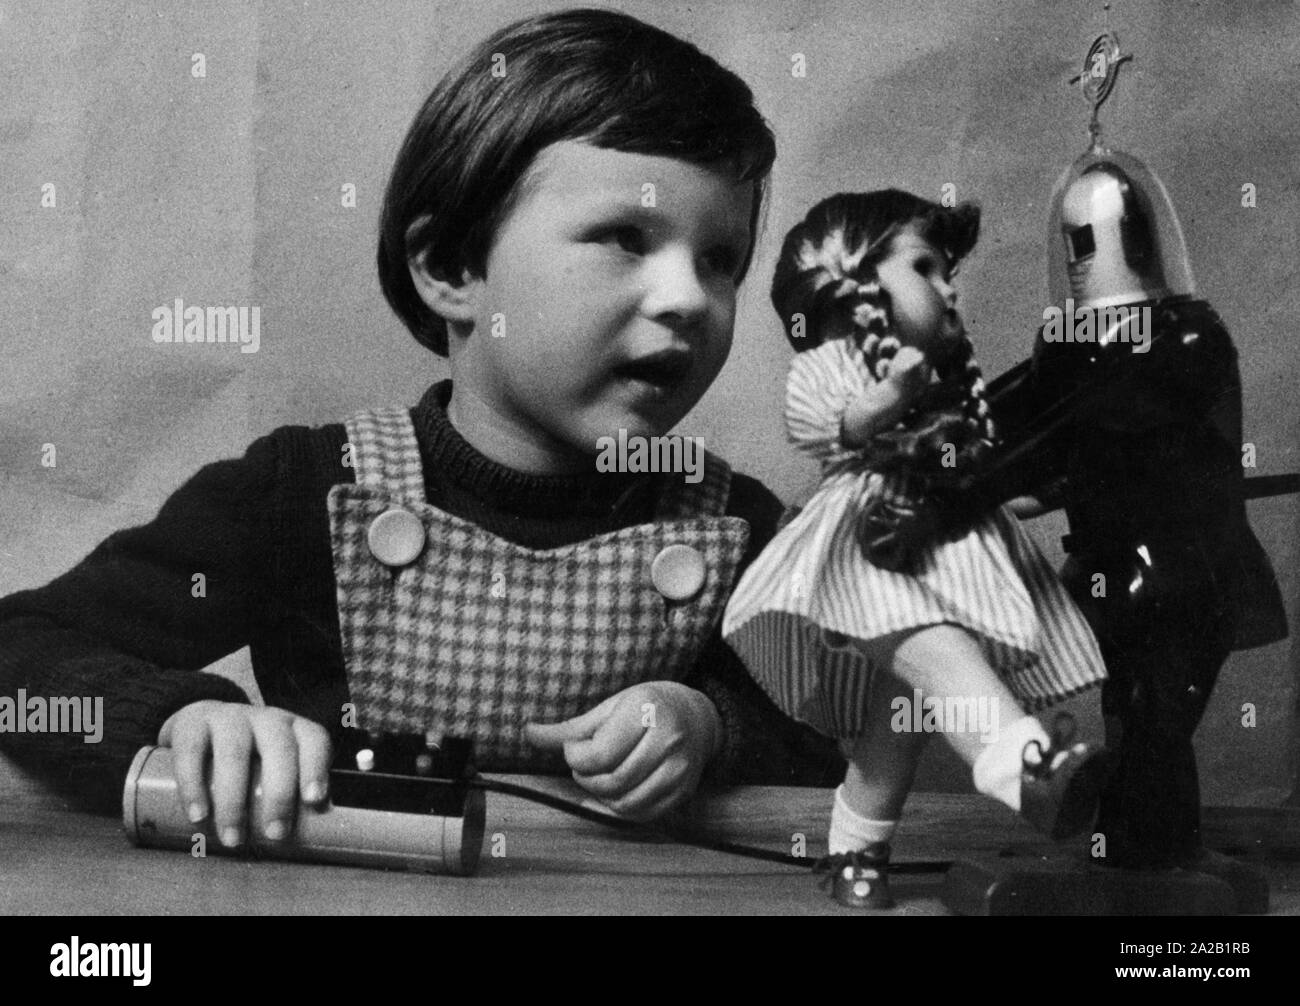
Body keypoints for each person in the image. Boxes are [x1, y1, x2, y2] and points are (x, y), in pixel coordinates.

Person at [0, 9, 842, 853]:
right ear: (451, 269)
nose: (689, 298)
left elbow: (829, 740)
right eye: (627, 238)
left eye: (719, 260)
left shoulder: (745, 532)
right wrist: (183, 715)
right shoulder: (301, 492)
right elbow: (16, 659)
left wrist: (708, 724)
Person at [722, 190, 1110, 909]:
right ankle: (1022, 766)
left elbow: (986, 481)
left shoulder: (943, 386)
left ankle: (854, 848)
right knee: (937, 648)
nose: (949, 285)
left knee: (895, 729)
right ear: (855, 281)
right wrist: (895, 389)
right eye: (926, 266)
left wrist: (1055, 485)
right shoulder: (834, 365)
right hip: (872, 554)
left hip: (946, 551)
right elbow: (837, 427)